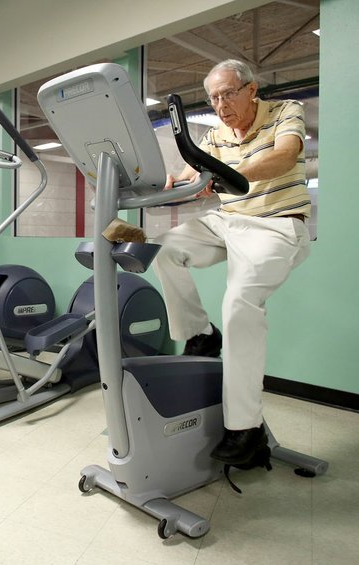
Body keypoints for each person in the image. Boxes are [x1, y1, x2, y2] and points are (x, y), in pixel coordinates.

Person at [153, 59, 311, 466]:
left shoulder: (285, 111)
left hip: (277, 225)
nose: (220, 104)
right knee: (164, 247)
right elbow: (193, 174)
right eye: (213, 98)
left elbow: (285, 155)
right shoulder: (214, 134)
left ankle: (245, 427)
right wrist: (172, 183)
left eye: (227, 94)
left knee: (239, 304)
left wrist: (225, 172)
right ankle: (201, 334)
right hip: (228, 221)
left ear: (251, 90)